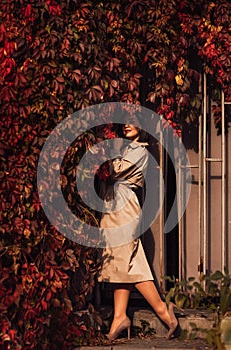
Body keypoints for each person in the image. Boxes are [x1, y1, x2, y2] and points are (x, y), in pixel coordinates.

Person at [96, 122, 181, 341]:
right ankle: (120, 316)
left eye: (133, 122)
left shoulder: (140, 150)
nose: (127, 126)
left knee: (126, 261)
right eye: (124, 123)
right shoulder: (122, 148)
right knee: (123, 262)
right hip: (112, 208)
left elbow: (112, 169)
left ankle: (162, 310)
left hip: (124, 209)